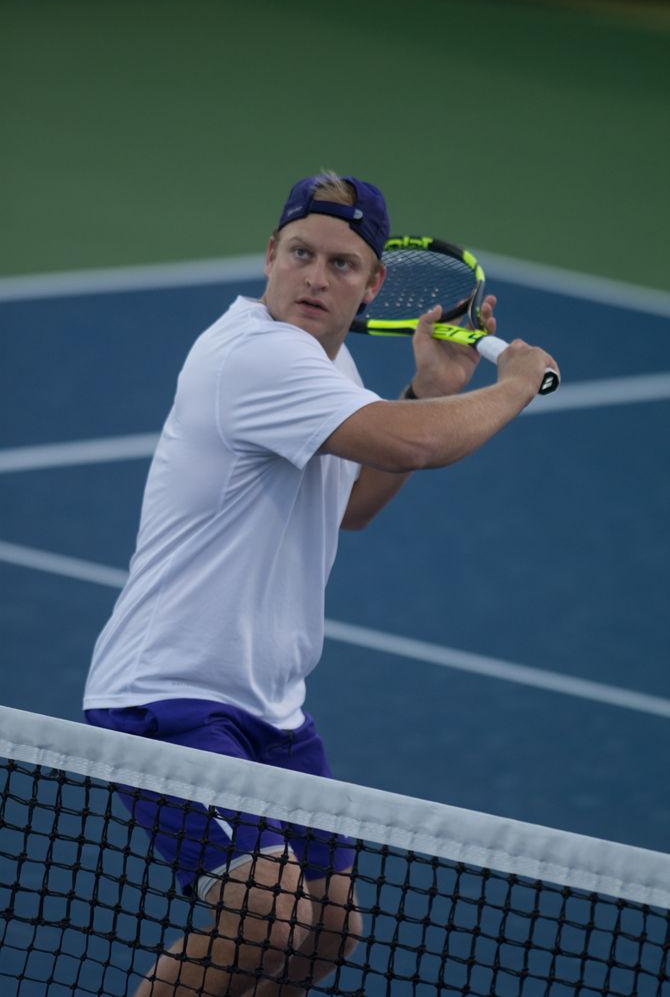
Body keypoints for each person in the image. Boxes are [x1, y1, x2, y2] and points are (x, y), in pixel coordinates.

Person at [83, 172, 559, 997]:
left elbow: (357, 503)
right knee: (268, 917)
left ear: (374, 286)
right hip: (167, 694)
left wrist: (429, 392)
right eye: (301, 253)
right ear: (270, 255)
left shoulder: (327, 372)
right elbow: (408, 448)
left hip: (273, 706)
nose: (315, 276)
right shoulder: (252, 355)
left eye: (342, 264)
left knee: (329, 931)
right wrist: (509, 385)